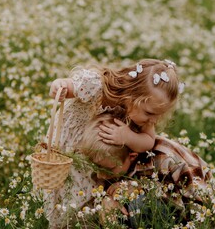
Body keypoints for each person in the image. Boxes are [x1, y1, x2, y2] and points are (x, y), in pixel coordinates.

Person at [43, 59, 182, 228]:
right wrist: (60, 85)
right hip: (70, 143)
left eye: (158, 115)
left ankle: (80, 221)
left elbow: (148, 141)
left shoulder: (144, 116)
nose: (153, 120)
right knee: (63, 184)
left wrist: (128, 136)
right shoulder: (98, 87)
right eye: (150, 113)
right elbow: (70, 86)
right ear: (133, 96)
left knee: (86, 192)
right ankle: (62, 221)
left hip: (99, 152)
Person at [76, 113, 213, 227]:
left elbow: (204, 202)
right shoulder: (107, 161)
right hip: (150, 208)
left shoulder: (167, 158)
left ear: (132, 156)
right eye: (96, 167)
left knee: (139, 203)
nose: (100, 174)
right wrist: (106, 201)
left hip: (186, 214)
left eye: (108, 169)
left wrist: (142, 189)